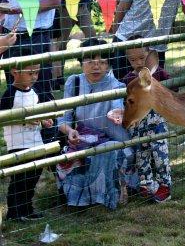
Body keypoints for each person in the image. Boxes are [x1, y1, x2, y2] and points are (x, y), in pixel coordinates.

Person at [57, 38, 136, 209]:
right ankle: (79, 197)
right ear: (81, 62)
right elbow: (63, 119)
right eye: (90, 61)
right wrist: (70, 131)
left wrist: (117, 113)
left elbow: (116, 108)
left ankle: (112, 193)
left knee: (108, 151)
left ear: (109, 65)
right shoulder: (74, 82)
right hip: (84, 139)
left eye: (102, 62)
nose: (96, 66)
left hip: (116, 142)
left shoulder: (117, 85)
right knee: (71, 155)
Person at [1, 50, 54, 221]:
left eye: (37, 72)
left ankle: (27, 208)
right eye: (30, 73)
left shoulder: (35, 91)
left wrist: (44, 120)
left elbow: (40, 113)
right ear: (15, 72)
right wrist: (24, 120)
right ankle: (14, 212)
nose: (34, 76)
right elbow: (3, 119)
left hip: (35, 142)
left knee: (33, 177)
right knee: (19, 179)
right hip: (18, 143)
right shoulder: (9, 94)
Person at [118, 38, 172, 202]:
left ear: (150, 57)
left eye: (142, 58)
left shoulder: (159, 73)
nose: (138, 63)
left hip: (157, 123)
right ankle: (147, 185)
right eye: (133, 60)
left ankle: (164, 186)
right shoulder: (128, 80)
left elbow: (171, 88)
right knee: (141, 155)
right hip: (138, 124)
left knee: (160, 154)